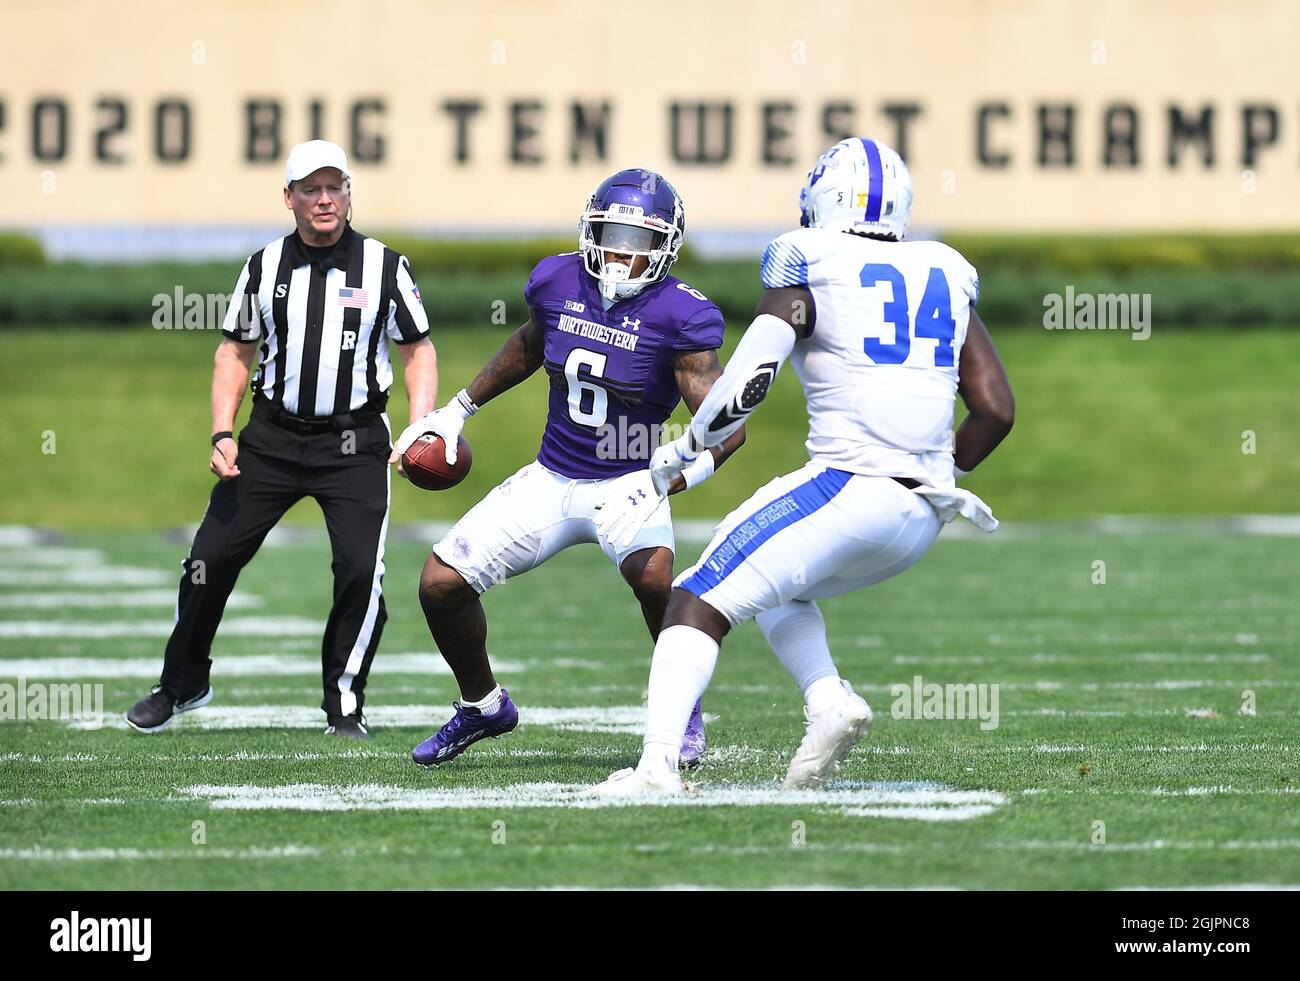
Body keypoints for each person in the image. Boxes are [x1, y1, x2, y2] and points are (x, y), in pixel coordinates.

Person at [588, 138, 1015, 795]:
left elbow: (746, 381)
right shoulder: (945, 270)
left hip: (850, 486)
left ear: (823, 196)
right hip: (927, 511)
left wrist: (684, 449)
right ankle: (828, 702)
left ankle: (656, 770)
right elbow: (995, 410)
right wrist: (935, 466)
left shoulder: (809, 258)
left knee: (694, 598)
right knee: (780, 587)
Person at [390, 168, 745, 767]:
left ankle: (683, 710)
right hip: (552, 477)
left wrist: (670, 478)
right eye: (613, 235)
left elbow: (726, 427)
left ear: (665, 247)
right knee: (439, 584)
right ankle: (482, 705)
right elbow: (530, 346)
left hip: (631, 482)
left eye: (640, 242)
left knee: (659, 584)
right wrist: (455, 413)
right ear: (591, 229)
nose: (621, 254)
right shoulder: (558, 281)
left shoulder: (680, 316)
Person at [126, 140, 438, 739]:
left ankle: (344, 704)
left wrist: (421, 422)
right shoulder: (264, 266)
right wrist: (222, 431)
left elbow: (417, 347)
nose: (324, 200)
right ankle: (183, 682)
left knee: (358, 573)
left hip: (353, 443)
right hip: (271, 437)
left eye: (334, 187)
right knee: (206, 562)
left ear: (349, 192)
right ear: (288, 197)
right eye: (310, 189)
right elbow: (234, 351)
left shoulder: (384, 266)